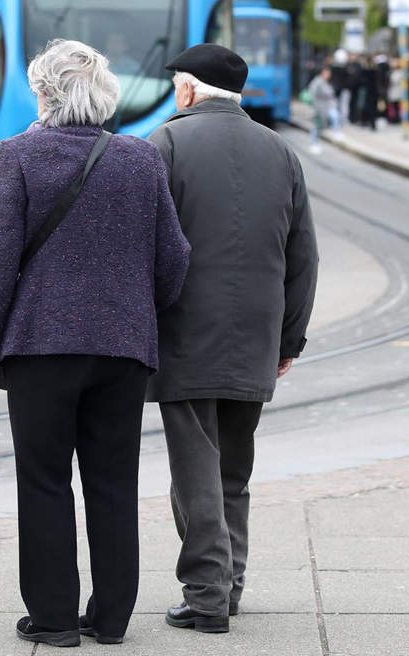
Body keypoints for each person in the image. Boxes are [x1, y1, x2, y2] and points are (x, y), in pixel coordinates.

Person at [0, 39, 190, 648]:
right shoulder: (140, 158)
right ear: (105, 95)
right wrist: (136, 310)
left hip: (41, 349)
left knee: (44, 482)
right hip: (122, 349)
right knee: (113, 485)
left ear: (44, 93)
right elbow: (174, 258)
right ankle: (111, 618)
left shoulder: (18, 155)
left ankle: (55, 619)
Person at [147, 43, 319, 636]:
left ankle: (207, 597)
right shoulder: (281, 150)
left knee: (194, 468)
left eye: (176, 84)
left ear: (188, 89)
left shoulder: (167, 143)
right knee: (233, 469)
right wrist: (289, 337)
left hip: (186, 332)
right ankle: (229, 584)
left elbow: (146, 246)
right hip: (257, 333)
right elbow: (303, 255)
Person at [307, 66, 337, 154]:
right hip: (318, 108)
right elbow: (312, 94)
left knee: (318, 126)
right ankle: (313, 144)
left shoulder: (324, 82)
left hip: (324, 108)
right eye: (327, 73)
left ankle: (315, 144)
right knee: (315, 126)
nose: (329, 75)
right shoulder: (317, 81)